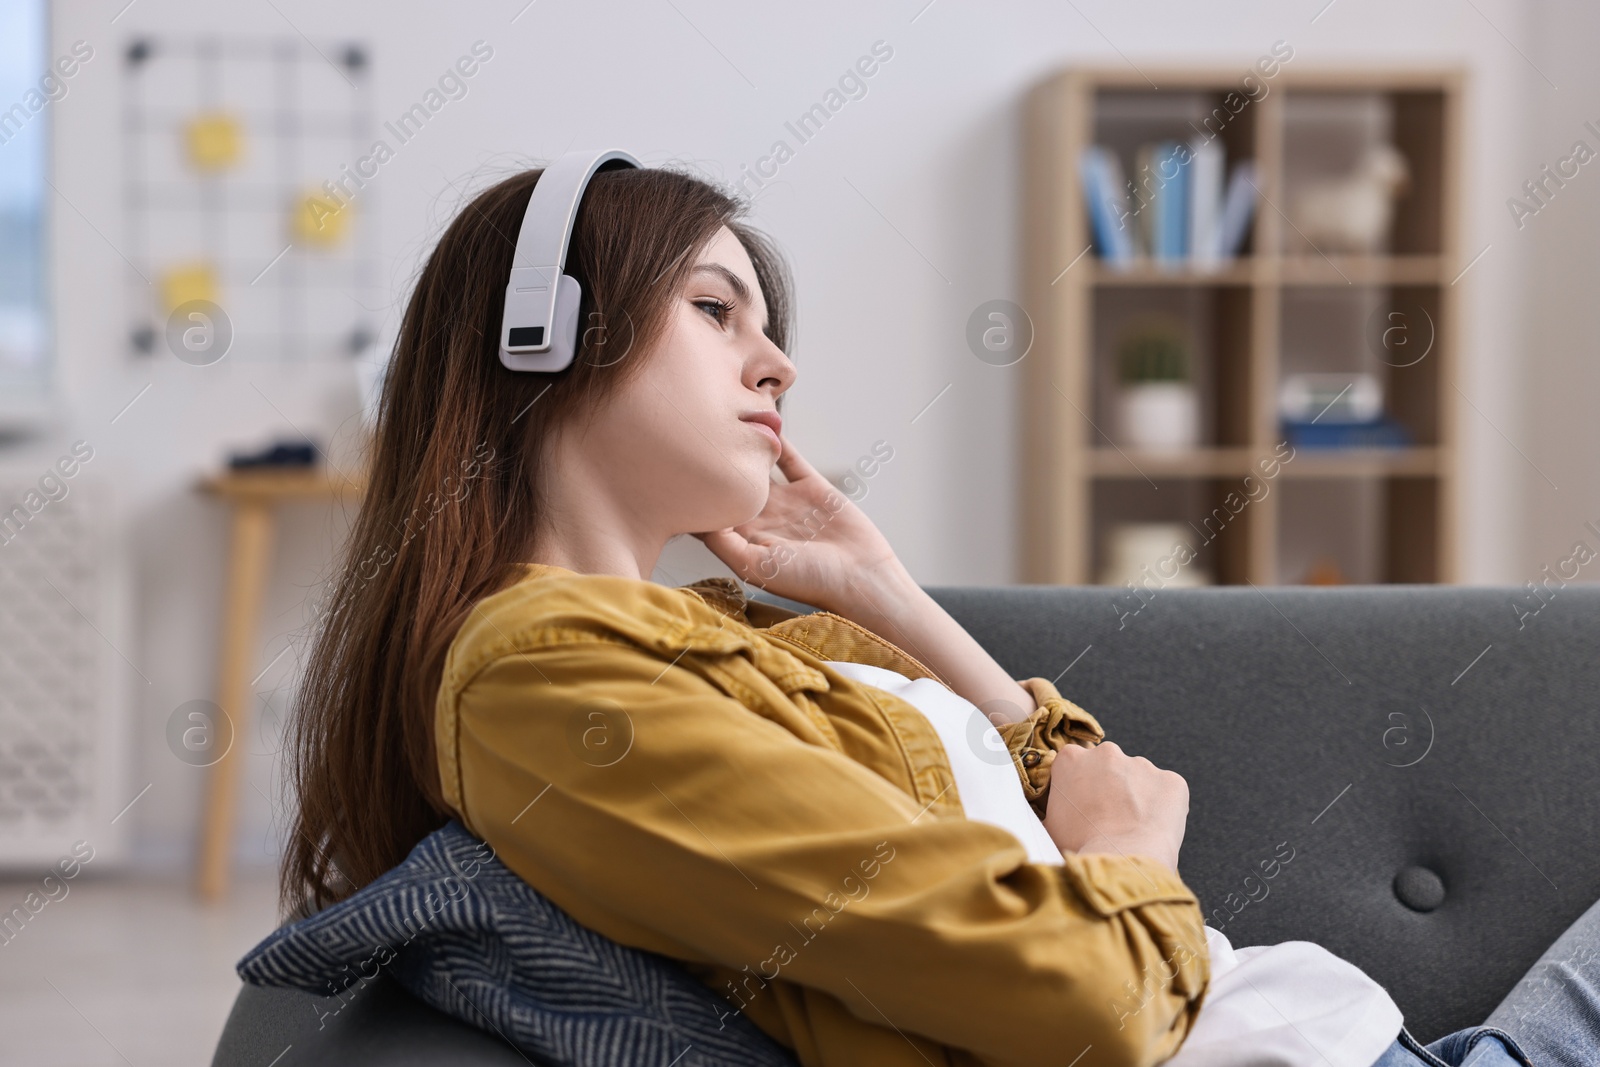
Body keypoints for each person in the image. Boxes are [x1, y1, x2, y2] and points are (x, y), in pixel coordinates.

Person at [283, 162, 1596, 1067]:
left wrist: (888, 596)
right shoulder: (549, 684)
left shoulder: (735, 643)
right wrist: (1133, 860)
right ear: (539, 336)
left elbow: (1068, 771)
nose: (777, 361)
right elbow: (1088, 997)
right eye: (713, 308)